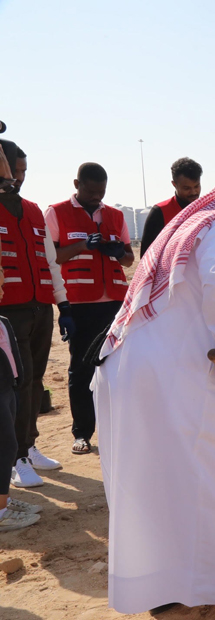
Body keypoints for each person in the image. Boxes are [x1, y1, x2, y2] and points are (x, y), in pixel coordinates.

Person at [93, 167, 215, 614]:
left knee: (158, 484)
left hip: (133, 371)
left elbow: (213, 325)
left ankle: (159, 588)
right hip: (173, 381)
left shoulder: (194, 227)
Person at [44, 163, 133, 455]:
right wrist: (83, 244)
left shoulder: (115, 215)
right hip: (80, 304)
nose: (97, 197)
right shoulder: (56, 213)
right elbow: (52, 256)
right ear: (76, 184)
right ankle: (82, 432)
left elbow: (130, 259)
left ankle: (117, 428)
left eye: (101, 192)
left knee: (116, 368)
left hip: (115, 302)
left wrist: (117, 251)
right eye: (91, 191)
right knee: (82, 369)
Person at [0, 145, 64, 489]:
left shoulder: (33, 210)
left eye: (23, 170)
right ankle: (16, 457)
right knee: (18, 383)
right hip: (8, 312)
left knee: (36, 380)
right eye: (14, 171)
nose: (19, 177)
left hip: (41, 307)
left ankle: (30, 444)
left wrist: (62, 303)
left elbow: (50, 261)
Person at [0, 260, 43, 530]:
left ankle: (3, 498)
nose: (3, 292)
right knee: (3, 448)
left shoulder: (3, 321)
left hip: (7, 391)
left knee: (9, 444)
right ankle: (1, 512)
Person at [139, 157, 203, 257]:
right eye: (187, 188)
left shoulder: (206, 209)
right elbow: (146, 256)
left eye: (196, 186)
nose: (194, 192)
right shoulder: (160, 212)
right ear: (174, 184)